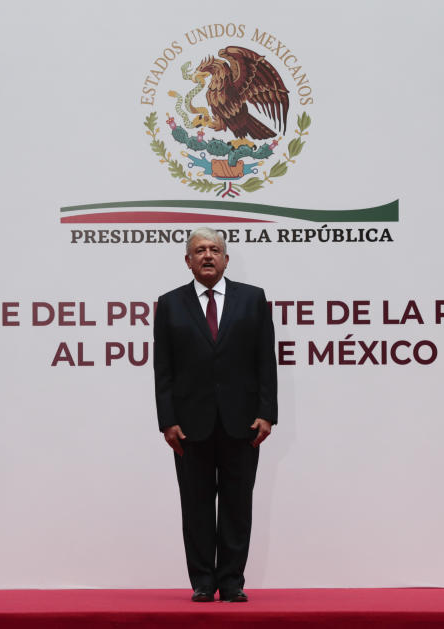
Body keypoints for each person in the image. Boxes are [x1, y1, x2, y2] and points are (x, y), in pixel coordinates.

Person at [153, 227, 278, 603]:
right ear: (188, 261)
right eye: (199, 250)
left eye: (214, 250)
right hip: (190, 426)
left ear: (226, 258)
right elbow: (163, 369)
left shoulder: (252, 299)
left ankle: (233, 581)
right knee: (196, 506)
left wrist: (267, 413)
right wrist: (167, 420)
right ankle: (204, 581)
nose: (207, 256)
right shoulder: (170, 304)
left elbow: (265, 361)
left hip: (242, 422)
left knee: (238, 505)